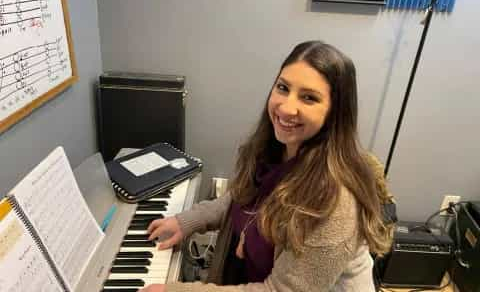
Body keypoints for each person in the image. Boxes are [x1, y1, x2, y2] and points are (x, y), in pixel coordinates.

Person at [139, 41, 392, 292]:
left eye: (309, 98)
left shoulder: (336, 202)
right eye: (283, 88)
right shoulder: (277, 148)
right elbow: (239, 198)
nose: (286, 107)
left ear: (335, 113)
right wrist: (188, 221)